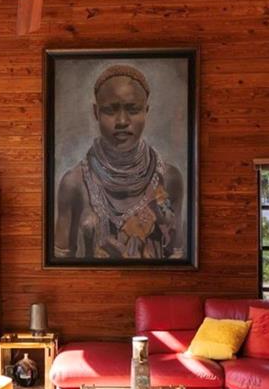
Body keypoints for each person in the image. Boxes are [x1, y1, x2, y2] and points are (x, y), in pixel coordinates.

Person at [54, 64, 184, 259]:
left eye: (133, 110)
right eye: (110, 110)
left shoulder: (169, 178)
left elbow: (177, 255)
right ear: (96, 112)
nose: (122, 121)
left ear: (146, 111)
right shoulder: (74, 183)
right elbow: (60, 262)